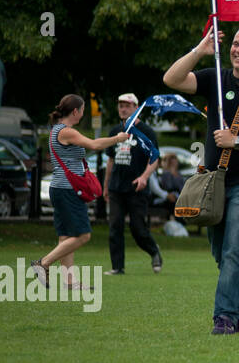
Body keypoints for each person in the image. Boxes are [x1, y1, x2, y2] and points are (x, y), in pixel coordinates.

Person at [163, 26, 239, 335]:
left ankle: (225, 316)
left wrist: (237, 141)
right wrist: (200, 49)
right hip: (214, 182)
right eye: (234, 44)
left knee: (234, 249)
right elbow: (172, 79)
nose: (237, 50)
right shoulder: (215, 79)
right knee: (221, 253)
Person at [30, 96, 131, 290]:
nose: (83, 114)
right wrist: (117, 139)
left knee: (66, 235)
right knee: (83, 235)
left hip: (60, 188)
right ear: (75, 111)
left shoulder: (57, 130)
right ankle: (43, 263)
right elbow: (94, 145)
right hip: (67, 189)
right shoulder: (66, 132)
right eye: (83, 110)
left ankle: (70, 282)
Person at [103, 93, 163, 274]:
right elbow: (110, 161)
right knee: (115, 227)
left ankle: (154, 251)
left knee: (138, 229)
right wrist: (106, 186)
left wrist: (144, 177)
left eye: (127, 106)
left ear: (136, 108)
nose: (123, 108)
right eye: (120, 105)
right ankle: (117, 267)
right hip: (116, 188)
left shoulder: (146, 132)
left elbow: (154, 159)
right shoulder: (115, 132)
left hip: (137, 188)